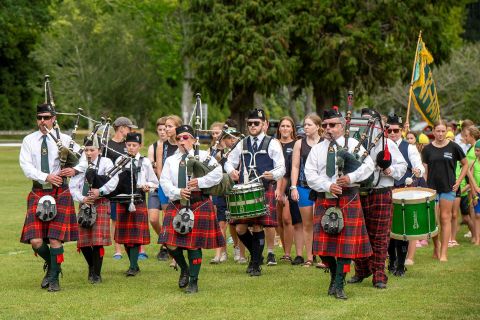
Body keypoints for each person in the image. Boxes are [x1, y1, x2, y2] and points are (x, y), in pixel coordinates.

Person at [305, 107, 374, 299]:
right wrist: (328, 185)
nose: (328, 129)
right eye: (325, 125)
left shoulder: (353, 144)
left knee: (345, 248)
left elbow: (369, 167)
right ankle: (335, 273)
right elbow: (309, 175)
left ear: (342, 127)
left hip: (348, 198)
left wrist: (351, 177)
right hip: (325, 198)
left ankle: (339, 283)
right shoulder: (317, 149)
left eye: (332, 125)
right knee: (323, 249)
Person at [19, 103, 79, 292]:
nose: (42, 121)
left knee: (55, 239)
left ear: (54, 118)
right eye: (39, 118)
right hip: (38, 190)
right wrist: (45, 176)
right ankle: (54, 266)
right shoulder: (29, 140)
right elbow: (25, 165)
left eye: (46, 117)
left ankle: (54, 279)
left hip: (60, 191)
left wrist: (75, 169)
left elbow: (84, 157)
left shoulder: (65, 139)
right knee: (36, 241)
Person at [159, 125, 225, 293]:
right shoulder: (171, 160)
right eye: (179, 138)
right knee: (169, 243)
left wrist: (200, 182)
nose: (182, 141)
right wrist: (178, 191)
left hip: (199, 202)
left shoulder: (204, 157)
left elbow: (218, 173)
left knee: (194, 245)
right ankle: (185, 269)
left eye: (185, 137)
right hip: (177, 202)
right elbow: (165, 182)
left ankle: (194, 282)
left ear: (194, 140)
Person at [347, 113, 407, 288]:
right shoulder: (353, 144)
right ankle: (361, 270)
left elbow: (402, 166)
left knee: (380, 236)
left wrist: (389, 170)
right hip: (357, 192)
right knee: (358, 234)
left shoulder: (387, 144)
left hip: (381, 192)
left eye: (371, 121)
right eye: (365, 120)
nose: (368, 124)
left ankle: (379, 275)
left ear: (380, 125)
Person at [225, 108, 286, 276]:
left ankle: (255, 265)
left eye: (256, 123)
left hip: (263, 188)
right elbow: (229, 162)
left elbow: (281, 167)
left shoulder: (272, 142)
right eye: (250, 123)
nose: (252, 126)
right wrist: (232, 171)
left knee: (259, 225)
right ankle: (256, 256)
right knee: (240, 228)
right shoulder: (242, 143)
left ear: (264, 124)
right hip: (245, 189)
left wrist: (272, 174)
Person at [69, 137, 119, 284]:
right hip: (85, 204)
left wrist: (100, 192)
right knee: (83, 241)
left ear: (99, 150)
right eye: (86, 150)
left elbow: (113, 182)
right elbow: (73, 186)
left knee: (97, 241)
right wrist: (82, 198)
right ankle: (92, 266)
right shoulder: (80, 165)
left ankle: (96, 274)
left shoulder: (106, 163)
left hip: (101, 203)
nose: (89, 153)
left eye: (92, 150)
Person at [382, 115, 424, 277]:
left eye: (396, 130)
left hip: (403, 191)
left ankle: (400, 265)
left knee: (402, 229)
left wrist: (419, 170)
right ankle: (391, 261)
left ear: (401, 130)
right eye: (389, 130)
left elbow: (419, 165)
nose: (392, 133)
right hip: (386, 190)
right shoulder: (382, 145)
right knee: (389, 230)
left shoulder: (409, 147)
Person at [422, 120, 468, 262]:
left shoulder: (454, 147)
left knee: (445, 218)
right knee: (433, 220)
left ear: (446, 132)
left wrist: (459, 181)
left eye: (443, 131)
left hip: (448, 188)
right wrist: (424, 186)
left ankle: (443, 253)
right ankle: (436, 246)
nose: (440, 134)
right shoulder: (427, 149)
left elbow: (465, 164)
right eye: (438, 131)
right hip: (432, 189)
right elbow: (425, 170)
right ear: (433, 131)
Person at [112, 132, 158, 276]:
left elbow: (154, 182)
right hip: (122, 199)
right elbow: (113, 179)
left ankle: (133, 266)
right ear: (125, 145)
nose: (131, 148)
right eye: (129, 145)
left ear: (140, 146)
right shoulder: (120, 160)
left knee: (135, 237)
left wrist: (147, 185)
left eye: (134, 145)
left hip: (138, 199)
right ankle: (134, 264)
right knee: (125, 236)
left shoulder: (144, 162)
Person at [290, 114, 322, 266]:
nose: (306, 127)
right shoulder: (299, 144)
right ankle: (309, 257)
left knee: (321, 223)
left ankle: (322, 256)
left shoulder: (325, 143)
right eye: (305, 124)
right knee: (307, 224)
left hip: (321, 188)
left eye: (309, 124)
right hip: (304, 186)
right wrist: (293, 186)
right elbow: (295, 166)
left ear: (317, 126)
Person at [104, 116, 137, 260]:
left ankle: (137, 247)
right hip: (113, 186)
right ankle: (118, 249)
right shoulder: (107, 145)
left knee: (132, 217)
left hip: (129, 185)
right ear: (121, 128)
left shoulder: (128, 144)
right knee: (115, 218)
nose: (131, 131)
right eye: (129, 128)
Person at [155, 115, 182, 266]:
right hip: (165, 187)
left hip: (180, 187)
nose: (166, 129)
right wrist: (168, 188)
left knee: (179, 219)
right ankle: (174, 255)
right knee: (169, 220)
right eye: (165, 126)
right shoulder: (162, 145)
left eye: (169, 126)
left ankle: (178, 254)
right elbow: (160, 169)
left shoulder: (183, 143)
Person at [276, 116, 304, 263]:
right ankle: (284, 249)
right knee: (278, 220)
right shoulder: (273, 144)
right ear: (279, 128)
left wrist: (286, 189)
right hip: (274, 185)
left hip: (289, 185)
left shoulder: (296, 145)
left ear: (292, 129)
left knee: (288, 219)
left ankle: (288, 253)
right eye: (283, 126)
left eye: (288, 126)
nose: (285, 129)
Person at [147, 117, 169, 260]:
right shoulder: (153, 147)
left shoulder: (173, 146)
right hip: (155, 185)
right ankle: (165, 241)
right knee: (153, 219)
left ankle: (166, 246)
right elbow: (150, 166)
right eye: (160, 129)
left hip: (168, 186)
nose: (162, 132)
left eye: (164, 129)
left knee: (167, 218)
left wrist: (157, 165)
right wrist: (156, 166)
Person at [209, 122, 229, 264]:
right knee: (220, 222)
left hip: (229, 186)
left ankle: (235, 251)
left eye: (218, 133)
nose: (215, 136)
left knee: (233, 223)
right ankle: (219, 253)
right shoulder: (211, 150)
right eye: (213, 133)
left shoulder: (231, 149)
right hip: (217, 188)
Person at [471, 140, 480, 245]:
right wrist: (474, 196)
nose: (477, 153)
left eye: (478, 151)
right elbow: (471, 180)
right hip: (477, 193)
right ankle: (478, 238)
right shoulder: (474, 163)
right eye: (476, 150)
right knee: (477, 215)